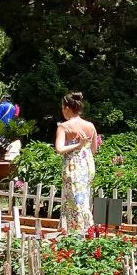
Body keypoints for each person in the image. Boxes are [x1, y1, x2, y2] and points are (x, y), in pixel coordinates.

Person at [54, 91, 99, 233]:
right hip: (87, 165)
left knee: (74, 201)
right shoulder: (90, 126)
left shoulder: (64, 126)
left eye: (62, 108)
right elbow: (94, 149)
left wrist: (76, 145)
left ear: (67, 108)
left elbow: (60, 149)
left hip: (73, 166)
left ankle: (77, 232)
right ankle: (87, 229)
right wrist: (82, 147)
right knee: (83, 199)